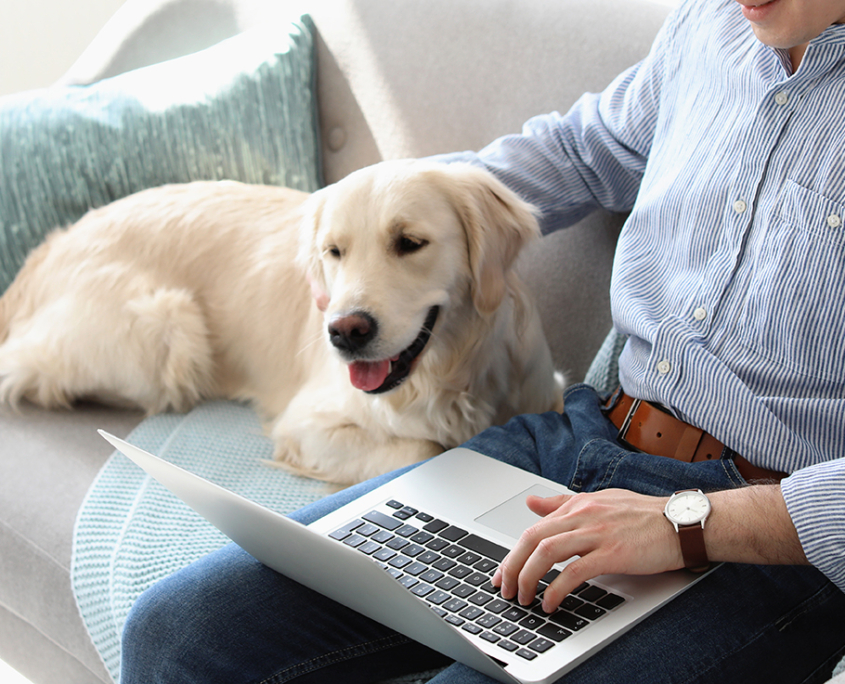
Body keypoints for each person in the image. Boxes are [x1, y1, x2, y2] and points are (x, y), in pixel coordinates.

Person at [119, 0, 845, 681]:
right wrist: (364, 239)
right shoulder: (708, 24)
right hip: (584, 439)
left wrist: (684, 523)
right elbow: (586, 148)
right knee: (175, 636)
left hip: (770, 535)